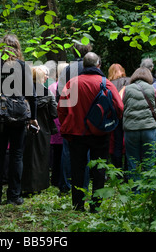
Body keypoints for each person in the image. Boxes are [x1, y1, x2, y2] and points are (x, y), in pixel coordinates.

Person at [58, 52, 124, 212]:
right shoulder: (106, 83)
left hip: (76, 133)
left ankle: (78, 205)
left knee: (77, 169)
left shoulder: (72, 83)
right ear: (98, 65)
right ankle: (95, 206)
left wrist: (68, 123)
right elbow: (120, 107)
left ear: (84, 66)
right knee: (99, 170)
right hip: (100, 133)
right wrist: (109, 123)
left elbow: (61, 109)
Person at [0, 34, 38, 206]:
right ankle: (14, 195)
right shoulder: (23, 66)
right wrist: (32, 118)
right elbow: (32, 96)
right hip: (19, 118)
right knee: (16, 155)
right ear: (18, 48)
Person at [56, 42, 93, 195]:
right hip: (89, 115)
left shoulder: (68, 69)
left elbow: (60, 95)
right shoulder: (91, 68)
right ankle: (84, 185)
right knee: (87, 151)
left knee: (67, 151)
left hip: (71, 113)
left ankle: (65, 185)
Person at [21, 66, 58, 196]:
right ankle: (38, 186)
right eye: (46, 75)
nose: (47, 77)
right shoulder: (48, 93)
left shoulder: (23, 91)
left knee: (25, 157)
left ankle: (24, 185)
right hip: (43, 130)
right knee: (41, 158)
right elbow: (54, 113)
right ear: (42, 77)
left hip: (25, 128)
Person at [122, 67, 156, 185]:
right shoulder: (152, 89)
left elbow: (122, 106)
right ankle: (150, 189)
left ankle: (135, 191)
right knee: (149, 160)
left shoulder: (127, 89)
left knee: (133, 160)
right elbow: (155, 108)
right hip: (149, 129)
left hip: (131, 129)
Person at [48, 62, 68, 190]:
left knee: (56, 153)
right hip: (64, 121)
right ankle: (63, 178)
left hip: (55, 121)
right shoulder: (70, 87)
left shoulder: (51, 87)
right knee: (64, 153)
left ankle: (55, 179)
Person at [107, 63, 130, 172]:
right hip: (128, 116)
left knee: (116, 143)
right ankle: (127, 170)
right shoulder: (129, 82)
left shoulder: (108, 84)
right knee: (128, 143)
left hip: (114, 116)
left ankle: (117, 171)